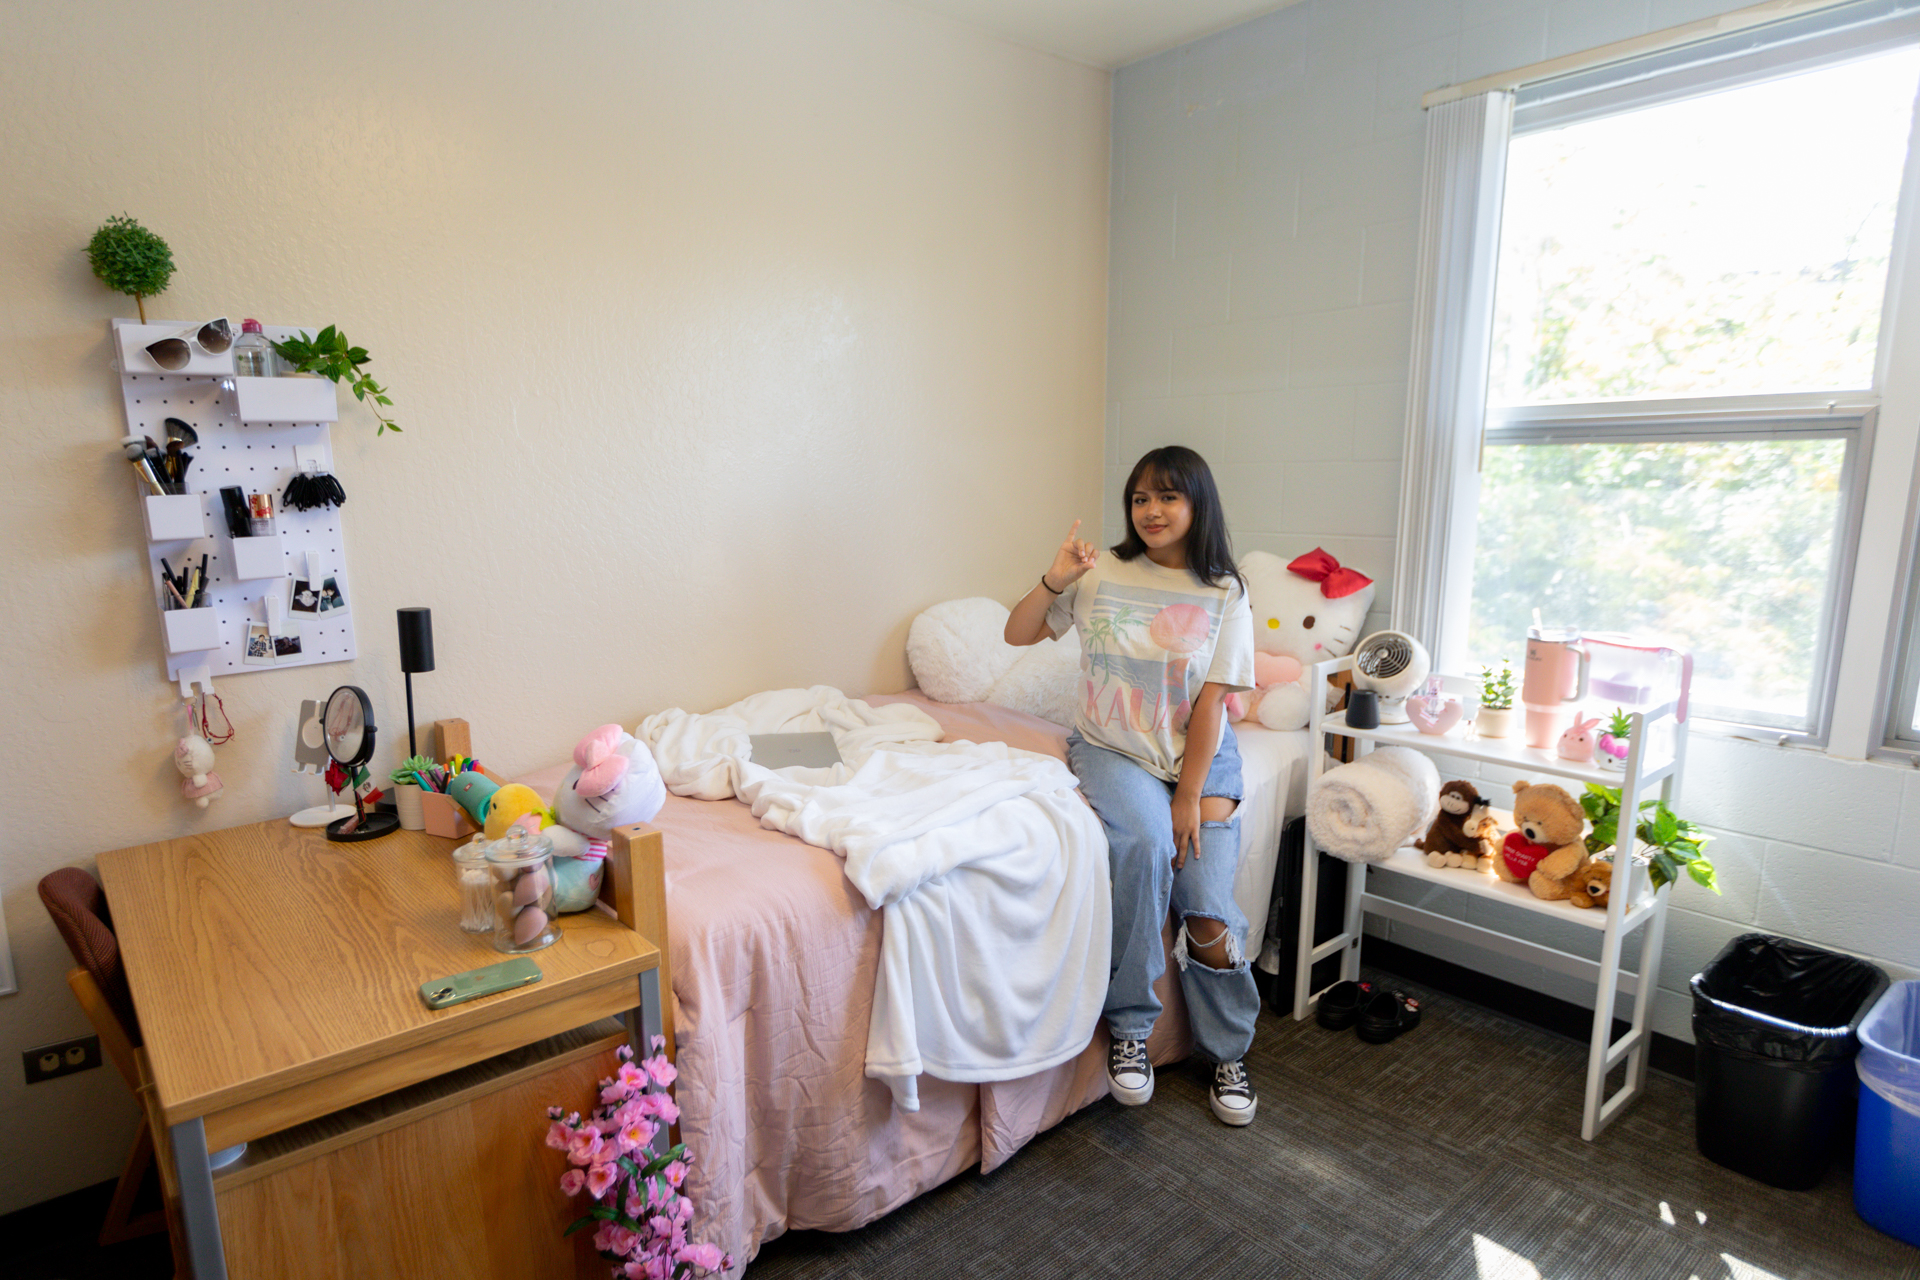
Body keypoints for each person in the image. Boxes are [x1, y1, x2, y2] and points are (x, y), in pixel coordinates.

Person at [1004, 445, 1261, 1126]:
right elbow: (1016, 632)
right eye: (1140, 498)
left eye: (1168, 497)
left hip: (1201, 758)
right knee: (1146, 849)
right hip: (1114, 748)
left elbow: (1211, 706)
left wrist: (1187, 797)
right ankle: (1130, 1030)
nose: (1151, 510)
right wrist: (1055, 579)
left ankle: (1229, 1049)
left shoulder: (1225, 590)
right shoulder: (1101, 572)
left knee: (1206, 907)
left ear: (1197, 504)